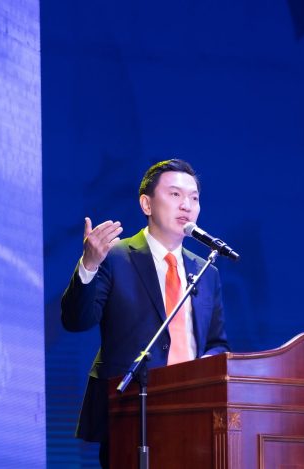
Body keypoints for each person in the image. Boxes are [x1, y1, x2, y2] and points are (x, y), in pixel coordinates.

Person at [61, 159, 229, 468]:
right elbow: (76, 320)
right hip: (130, 411)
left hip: (194, 410)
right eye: (175, 194)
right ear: (146, 204)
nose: (187, 205)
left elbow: (217, 343)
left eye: (194, 198)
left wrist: (205, 368)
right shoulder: (115, 257)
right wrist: (89, 265)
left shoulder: (206, 271)